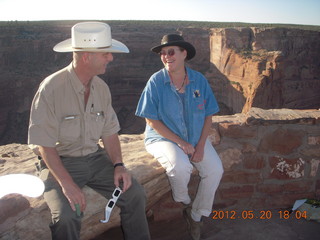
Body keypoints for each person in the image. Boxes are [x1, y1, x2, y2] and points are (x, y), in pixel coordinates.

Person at [28, 22, 150, 240]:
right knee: (67, 216)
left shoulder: (101, 88)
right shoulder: (51, 89)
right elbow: (44, 145)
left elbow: (110, 133)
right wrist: (67, 184)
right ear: (86, 57)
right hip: (60, 161)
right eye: (105, 54)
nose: (110, 58)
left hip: (95, 159)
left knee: (135, 195)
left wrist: (119, 165)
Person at [135, 34, 224, 240]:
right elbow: (151, 121)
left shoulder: (198, 80)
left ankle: (195, 215)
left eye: (171, 52)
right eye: (163, 53)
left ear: (184, 54)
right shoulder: (156, 81)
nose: (166, 56)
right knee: (180, 167)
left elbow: (209, 114)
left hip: (194, 137)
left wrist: (201, 145)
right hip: (162, 138)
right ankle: (184, 200)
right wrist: (181, 143)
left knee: (215, 170)